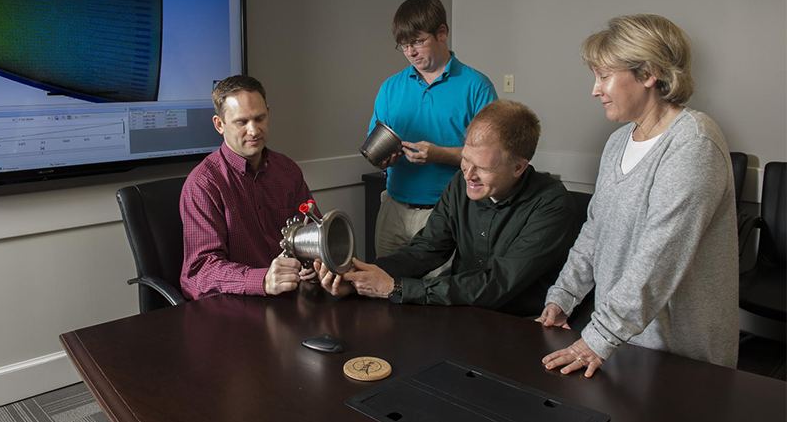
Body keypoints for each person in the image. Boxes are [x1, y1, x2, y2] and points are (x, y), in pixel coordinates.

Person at [537, 14, 739, 377]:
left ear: (648, 74)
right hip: (620, 344)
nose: (595, 89)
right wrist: (563, 296)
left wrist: (596, 337)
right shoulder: (617, 142)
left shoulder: (694, 144)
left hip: (679, 355)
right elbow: (595, 231)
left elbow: (660, 258)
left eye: (604, 76)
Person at [317, 100, 576, 316]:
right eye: (465, 159)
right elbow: (428, 249)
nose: (468, 174)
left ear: (518, 167)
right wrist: (362, 277)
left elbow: (497, 284)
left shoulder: (552, 204)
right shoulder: (460, 183)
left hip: (520, 324)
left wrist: (396, 288)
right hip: (462, 313)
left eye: (483, 168)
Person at [370, 0, 498, 257]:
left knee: (436, 295)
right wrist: (384, 159)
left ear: (442, 32)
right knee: (381, 290)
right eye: (404, 45)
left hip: (447, 213)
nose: (410, 52)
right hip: (393, 209)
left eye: (417, 41)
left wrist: (439, 154)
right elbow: (374, 146)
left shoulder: (477, 86)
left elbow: (492, 157)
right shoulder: (390, 88)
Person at [180, 75, 316, 300]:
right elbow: (201, 271)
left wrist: (317, 261)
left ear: (268, 114)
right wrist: (262, 280)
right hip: (232, 305)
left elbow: (312, 230)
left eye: (259, 118)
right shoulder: (203, 184)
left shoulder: (287, 171)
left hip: (290, 295)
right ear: (219, 125)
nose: (254, 131)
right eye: (241, 122)